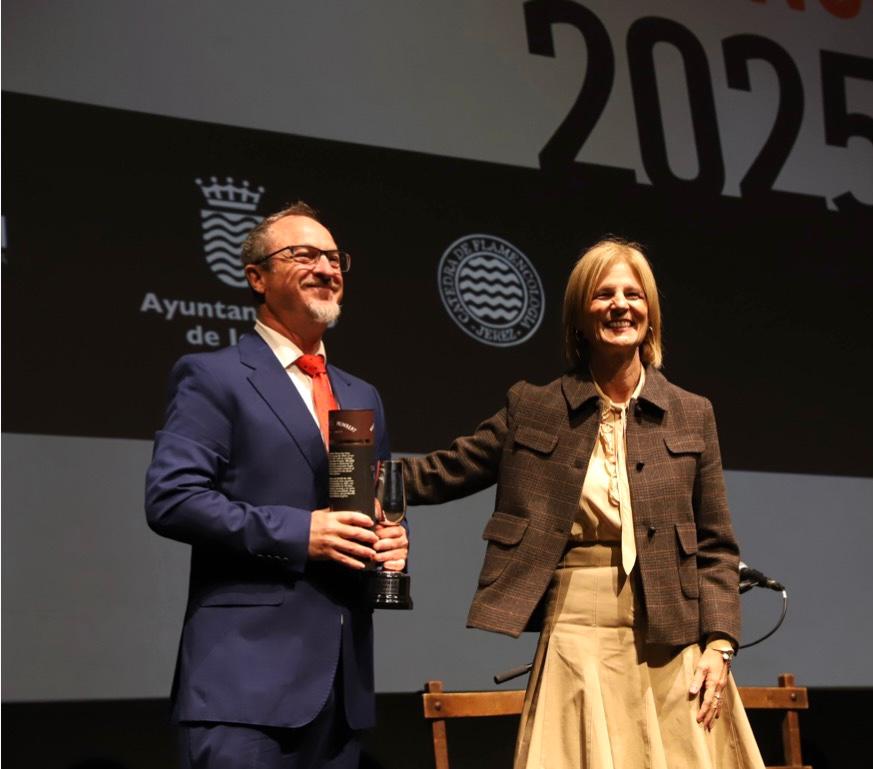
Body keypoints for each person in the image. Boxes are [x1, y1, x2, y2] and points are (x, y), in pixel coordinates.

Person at [400, 239, 764, 768]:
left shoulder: (692, 413)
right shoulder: (534, 407)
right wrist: (343, 475)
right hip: (577, 626)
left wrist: (720, 644)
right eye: (603, 295)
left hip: (674, 633)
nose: (620, 305)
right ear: (579, 318)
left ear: (651, 314)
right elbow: (440, 472)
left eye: (633, 294)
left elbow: (716, 544)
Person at [145, 202, 409, 768]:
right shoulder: (213, 376)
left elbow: (372, 510)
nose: (325, 267)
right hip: (244, 686)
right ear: (256, 277)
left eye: (334, 258)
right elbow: (173, 498)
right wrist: (301, 533)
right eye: (303, 254)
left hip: (342, 692)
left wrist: (388, 544)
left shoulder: (362, 395)